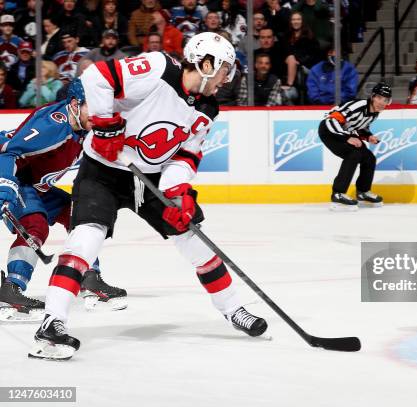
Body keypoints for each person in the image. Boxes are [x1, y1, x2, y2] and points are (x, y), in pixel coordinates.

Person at [29, 32, 268, 361]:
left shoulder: (208, 108)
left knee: (195, 241)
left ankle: (233, 309)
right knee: (85, 241)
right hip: (103, 171)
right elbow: (96, 76)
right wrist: (105, 122)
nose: (227, 79)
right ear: (207, 63)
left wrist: (179, 192)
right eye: (225, 70)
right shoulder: (157, 67)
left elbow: (185, 156)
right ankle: (53, 322)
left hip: (151, 178)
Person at [0, 79, 126, 322]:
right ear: (75, 105)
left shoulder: (85, 127)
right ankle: (11, 290)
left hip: (36, 185)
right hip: (14, 177)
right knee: (35, 225)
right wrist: (5, 184)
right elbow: (8, 151)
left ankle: (88, 277)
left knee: (81, 215)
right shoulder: (52, 127)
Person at [318, 82, 391, 211]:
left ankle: (363, 191)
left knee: (369, 158)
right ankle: (338, 194)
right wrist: (347, 137)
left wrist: (368, 136)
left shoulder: (375, 112)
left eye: (385, 100)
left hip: (345, 133)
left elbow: (360, 126)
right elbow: (331, 120)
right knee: (353, 154)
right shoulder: (358, 105)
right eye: (379, 98)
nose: (382, 102)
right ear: (373, 97)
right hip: (329, 132)